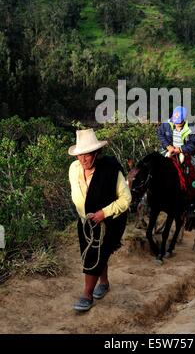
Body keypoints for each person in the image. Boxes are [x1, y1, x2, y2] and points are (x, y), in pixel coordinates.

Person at [68, 129, 131, 312]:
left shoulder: (111, 170)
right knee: (92, 253)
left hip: (110, 221)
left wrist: (104, 213)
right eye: (80, 155)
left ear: (96, 153)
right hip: (86, 222)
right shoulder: (74, 169)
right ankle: (104, 282)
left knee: (97, 253)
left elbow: (126, 199)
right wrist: (85, 215)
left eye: (87, 155)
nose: (83, 159)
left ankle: (87, 293)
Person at [157, 106, 195, 209]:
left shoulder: (192, 128)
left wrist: (180, 149)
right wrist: (168, 146)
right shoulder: (166, 124)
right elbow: (160, 134)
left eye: (179, 122)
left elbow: (194, 143)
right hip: (169, 149)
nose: (176, 124)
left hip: (187, 152)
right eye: (175, 121)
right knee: (157, 167)